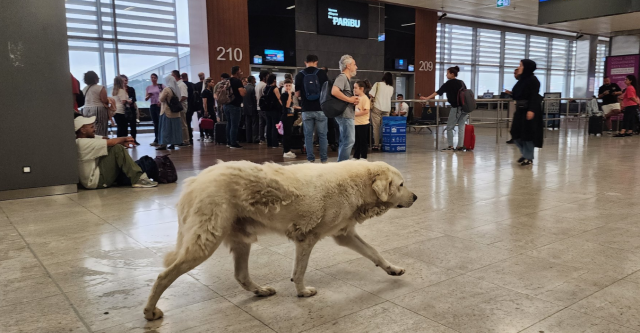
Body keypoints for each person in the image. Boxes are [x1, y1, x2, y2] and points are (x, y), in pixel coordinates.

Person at [74, 115, 157, 189]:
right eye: (92, 127)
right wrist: (125, 139)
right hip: (96, 181)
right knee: (117, 148)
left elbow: (106, 139)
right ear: (83, 130)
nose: (94, 129)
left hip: (97, 174)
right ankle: (138, 179)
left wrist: (122, 142)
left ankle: (136, 174)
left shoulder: (88, 139)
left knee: (113, 147)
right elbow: (111, 142)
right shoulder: (81, 142)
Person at [420, 66, 467, 151]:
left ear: (452, 74)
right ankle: (460, 145)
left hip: (455, 108)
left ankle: (450, 146)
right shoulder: (461, 82)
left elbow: (438, 92)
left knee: (449, 127)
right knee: (461, 127)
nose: (446, 75)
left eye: (447, 73)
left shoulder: (448, 83)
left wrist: (427, 98)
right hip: (464, 108)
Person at [295, 54, 330, 163]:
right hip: (321, 109)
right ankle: (324, 159)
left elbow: (297, 94)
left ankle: (310, 159)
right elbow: (327, 91)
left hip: (306, 109)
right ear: (316, 62)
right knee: (323, 135)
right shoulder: (322, 73)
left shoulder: (299, 75)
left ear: (305, 62)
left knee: (308, 136)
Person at [510, 59, 544, 166]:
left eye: (521, 65)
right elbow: (517, 94)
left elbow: (534, 96)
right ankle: (525, 154)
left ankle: (528, 157)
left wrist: (531, 110)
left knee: (527, 134)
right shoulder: (522, 80)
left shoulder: (533, 80)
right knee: (515, 133)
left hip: (529, 110)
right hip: (520, 110)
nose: (519, 67)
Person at [332, 55, 359, 162]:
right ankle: (342, 166)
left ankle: (341, 165)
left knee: (345, 141)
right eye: (354, 64)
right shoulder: (342, 77)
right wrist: (350, 100)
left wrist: (352, 100)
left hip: (346, 114)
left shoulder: (345, 79)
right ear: (348, 66)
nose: (356, 67)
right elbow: (334, 91)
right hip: (345, 115)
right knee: (349, 141)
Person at [369, 72, 395, 151]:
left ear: (383, 77)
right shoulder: (391, 88)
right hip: (387, 109)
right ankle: (385, 144)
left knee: (376, 127)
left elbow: (371, 94)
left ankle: (376, 145)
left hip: (377, 107)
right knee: (385, 127)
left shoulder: (377, 84)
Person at [156, 75, 184, 150]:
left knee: (165, 129)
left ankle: (163, 144)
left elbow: (161, 99)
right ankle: (173, 144)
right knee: (174, 129)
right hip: (176, 113)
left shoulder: (166, 89)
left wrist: (160, 94)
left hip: (167, 112)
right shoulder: (176, 89)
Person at [81, 71, 110, 137]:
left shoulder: (84, 89)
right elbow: (104, 100)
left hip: (86, 109)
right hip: (98, 109)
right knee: (100, 128)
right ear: (95, 78)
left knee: (89, 128)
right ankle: (101, 143)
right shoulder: (100, 87)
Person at [225, 66, 246, 149]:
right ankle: (233, 143)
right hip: (235, 105)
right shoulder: (237, 81)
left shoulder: (227, 81)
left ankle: (228, 141)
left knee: (229, 124)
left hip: (226, 105)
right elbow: (242, 93)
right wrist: (244, 88)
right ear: (237, 72)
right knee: (234, 125)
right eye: (240, 71)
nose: (241, 72)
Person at [112, 76, 135, 140]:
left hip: (116, 111)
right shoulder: (121, 90)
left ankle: (119, 142)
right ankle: (123, 142)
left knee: (119, 128)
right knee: (124, 128)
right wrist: (129, 101)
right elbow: (123, 101)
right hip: (121, 111)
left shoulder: (114, 91)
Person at [280, 79, 299, 158]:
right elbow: (287, 105)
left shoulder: (292, 94)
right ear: (284, 86)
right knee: (286, 134)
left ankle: (288, 150)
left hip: (291, 116)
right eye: (286, 85)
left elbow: (291, 106)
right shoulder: (284, 95)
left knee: (289, 133)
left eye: (289, 85)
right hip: (286, 116)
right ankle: (286, 151)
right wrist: (289, 95)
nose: (288, 87)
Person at [353, 80, 371, 160]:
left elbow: (366, 111)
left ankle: (363, 157)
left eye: (356, 88)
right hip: (356, 123)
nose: (354, 90)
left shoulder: (365, 98)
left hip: (363, 123)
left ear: (361, 89)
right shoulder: (356, 98)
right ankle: (356, 156)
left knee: (363, 141)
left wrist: (356, 114)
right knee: (357, 141)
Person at [172, 70, 190, 147]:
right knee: (180, 124)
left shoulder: (181, 85)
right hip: (178, 107)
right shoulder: (176, 84)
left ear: (175, 76)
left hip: (181, 107)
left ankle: (186, 140)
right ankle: (181, 139)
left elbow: (184, 96)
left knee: (183, 124)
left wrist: (176, 102)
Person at [264, 74, 282, 149]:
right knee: (275, 126)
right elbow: (279, 98)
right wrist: (283, 106)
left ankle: (269, 143)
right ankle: (275, 143)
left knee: (269, 125)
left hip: (267, 109)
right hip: (274, 109)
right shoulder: (275, 88)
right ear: (274, 80)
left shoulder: (266, 88)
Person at [120, 75, 139, 145]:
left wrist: (131, 101)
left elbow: (134, 98)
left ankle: (133, 139)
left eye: (126, 80)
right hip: (123, 109)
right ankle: (125, 140)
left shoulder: (131, 89)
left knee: (133, 126)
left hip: (131, 109)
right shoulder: (119, 90)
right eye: (124, 80)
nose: (125, 82)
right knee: (124, 126)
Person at [146, 73, 163, 146]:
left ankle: (162, 139)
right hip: (152, 105)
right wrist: (149, 96)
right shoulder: (148, 87)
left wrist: (161, 102)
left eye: (154, 78)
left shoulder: (161, 86)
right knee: (155, 123)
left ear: (157, 78)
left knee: (161, 123)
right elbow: (146, 98)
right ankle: (156, 139)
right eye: (151, 77)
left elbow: (165, 94)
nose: (153, 79)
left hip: (159, 105)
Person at [181, 73, 196, 144]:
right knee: (188, 122)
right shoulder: (192, 85)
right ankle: (190, 137)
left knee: (184, 123)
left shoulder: (181, 85)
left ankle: (186, 138)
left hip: (184, 106)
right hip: (192, 106)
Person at [243, 76, 259, 143]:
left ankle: (248, 138)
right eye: (254, 80)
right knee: (255, 124)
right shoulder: (253, 88)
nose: (255, 81)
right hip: (253, 108)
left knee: (248, 124)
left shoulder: (244, 88)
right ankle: (255, 138)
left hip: (245, 108)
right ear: (252, 80)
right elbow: (254, 100)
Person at [200, 77, 216, 142]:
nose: (213, 83)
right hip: (208, 109)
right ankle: (209, 135)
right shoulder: (205, 92)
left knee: (213, 121)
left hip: (211, 108)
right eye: (212, 82)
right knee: (209, 122)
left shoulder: (211, 91)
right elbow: (204, 102)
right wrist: (205, 110)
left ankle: (212, 135)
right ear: (208, 83)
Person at [256, 70, 270, 144]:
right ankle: (268, 137)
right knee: (268, 122)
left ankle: (261, 138)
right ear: (264, 77)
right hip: (264, 107)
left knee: (261, 123)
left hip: (258, 106)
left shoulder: (257, 85)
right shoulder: (264, 85)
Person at [194, 72, 206, 141]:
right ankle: (206, 134)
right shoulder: (206, 85)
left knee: (200, 120)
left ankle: (202, 134)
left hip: (199, 106)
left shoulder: (196, 85)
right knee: (206, 119)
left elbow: (195, 97)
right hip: (203, 104)